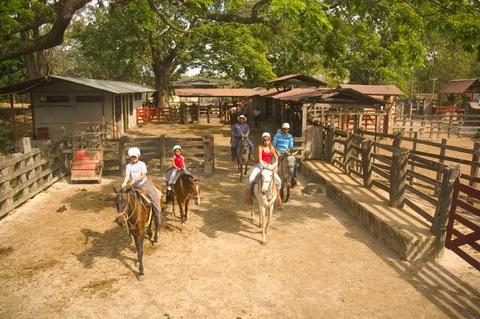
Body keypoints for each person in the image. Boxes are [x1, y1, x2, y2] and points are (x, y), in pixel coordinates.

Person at [121, 147, 162, 223]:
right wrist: (124, 182)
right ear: (130, 157)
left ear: (138, 156)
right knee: (123, 198)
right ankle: (123, 214)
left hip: (143, 184)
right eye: (132, 157)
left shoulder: (142, 164)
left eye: (135, 157)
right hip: (133, 186)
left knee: (154, 197)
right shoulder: (128, 166)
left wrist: (135, 180)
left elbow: (143, 175)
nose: (133, 158)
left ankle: (158, 215)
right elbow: (127, 176)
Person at [244, 132, 282, 205]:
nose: (266, 141)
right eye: (265, 140)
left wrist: (275, 166)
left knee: (279, 181)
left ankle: (278, 197)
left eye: (267, 140)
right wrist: (266, 166)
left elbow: (276, 157)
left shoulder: (272, 148)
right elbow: (260, 159)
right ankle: (249, 195)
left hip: (270, 166)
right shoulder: (260, 147)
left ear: (270, 140)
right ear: (263, 140)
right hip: (261, 165)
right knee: (251, 178)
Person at [272, 122, 297, 187]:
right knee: (272, 163)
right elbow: (273, 145)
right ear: (282, 129)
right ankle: (271, 177)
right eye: (285, 129)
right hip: (278, 152)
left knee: (294, 163)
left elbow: (291, 146)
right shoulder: (277, 135)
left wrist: (288, 151)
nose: (286, 130)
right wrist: (277, 152)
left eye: (287, 129)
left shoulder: (290, 136)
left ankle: (294, 178)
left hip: (287, 153)